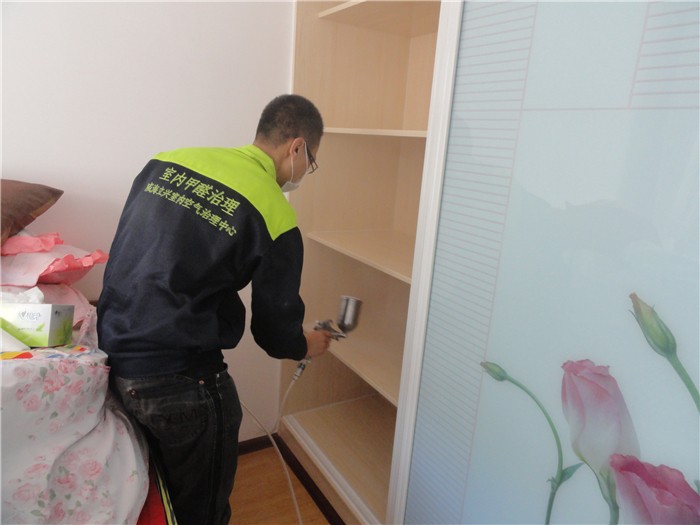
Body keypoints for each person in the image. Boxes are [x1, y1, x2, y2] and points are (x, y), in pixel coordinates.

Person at [96, 94, 332, 525]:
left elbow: (136, 251)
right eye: (310, 162)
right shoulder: (276, 215)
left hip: (115, 350)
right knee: (201, 511)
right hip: (181, 379)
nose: (305, 172)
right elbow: (274, 333)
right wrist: (306, 344)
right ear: (297, 147)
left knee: (161, 494)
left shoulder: (167, 162)